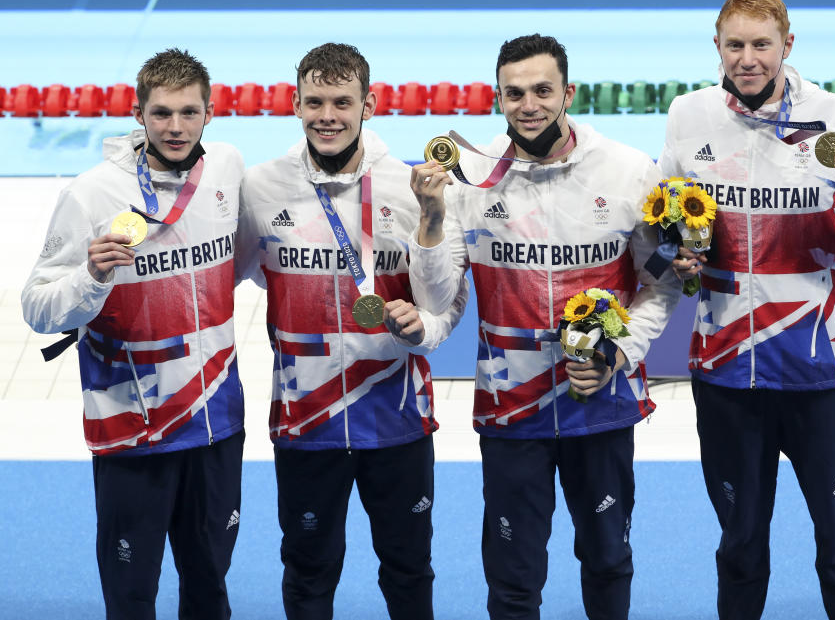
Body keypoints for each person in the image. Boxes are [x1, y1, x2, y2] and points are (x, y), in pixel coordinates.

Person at [659, 0, 835, 620]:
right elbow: (662, 221)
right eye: (736, 45)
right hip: (726, 372)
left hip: (817, 371)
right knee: (740, 545)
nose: (748, 58)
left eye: (762, 44)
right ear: (717, 47)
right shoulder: (688, 116)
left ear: (788, 44)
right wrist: (671, 253)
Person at [409, 34, 680, 620]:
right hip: (512, 408)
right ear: (497, 98)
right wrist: (430, 217)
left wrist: (620, 354)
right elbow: (435, 297)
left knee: (608, 561)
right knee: (513, 578)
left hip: (600, 400)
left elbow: (661, 282)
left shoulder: (629, 170)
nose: (528, 105)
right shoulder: (467, 178)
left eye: (541, 90)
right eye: (514, 93)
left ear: (568, 93)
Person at [234, 43, 467, 620]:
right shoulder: (261, 189)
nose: (328, 115)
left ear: (370, 103)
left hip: (396, 416)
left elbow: (444, 302)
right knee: (309, 569)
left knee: (408, 568)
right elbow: (216, 269)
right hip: (306, 417)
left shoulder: (413, 186)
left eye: (342, 101)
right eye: (315, 102)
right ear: (294, 104)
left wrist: (425, 319)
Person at [21, 48, 246, 619]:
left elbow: (247, 262)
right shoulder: (92, 193)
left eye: (189, 113)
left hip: (216, 420)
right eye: (162, 113)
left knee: (209, 585)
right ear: (138, 113)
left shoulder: (225, 170)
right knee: (130, 595)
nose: (176, 127)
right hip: (132, 430)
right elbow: (38, 309)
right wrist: (90, 277)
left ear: (210, 113)